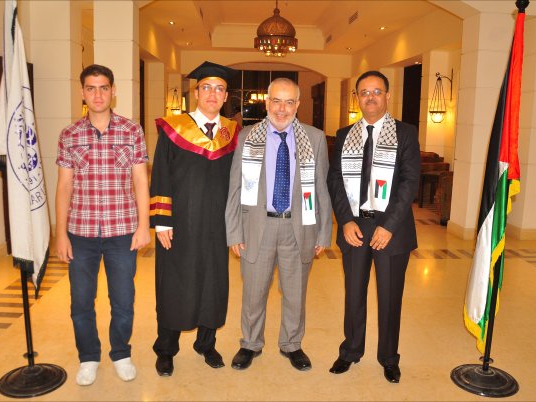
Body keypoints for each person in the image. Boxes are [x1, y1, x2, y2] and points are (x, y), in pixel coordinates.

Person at [225, 78, 332, 371]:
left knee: (295, 294)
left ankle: (292, 344)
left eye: (289, 102)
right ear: (267, 102)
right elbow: (235, 186)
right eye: (276, 101)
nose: (282, 109)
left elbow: (321, 188)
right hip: (256, 227)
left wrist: (323, 232)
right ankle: (250, 343)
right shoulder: (247, 136)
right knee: (253, 293)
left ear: (298, 105)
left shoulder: (314, 138)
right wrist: (234, 231)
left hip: (299, 228)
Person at [55, 64, 150, 386]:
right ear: (82, 92)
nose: (98, 95)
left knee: (123, 300)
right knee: (81, 302)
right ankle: (89, 357)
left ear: (113, 91)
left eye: (104, 88)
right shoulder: (69, 135)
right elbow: (64, 186)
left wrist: (144, 226)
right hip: (80, 233)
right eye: (91, 88)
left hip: (122, 231)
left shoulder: (132, 131)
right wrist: (60, 234)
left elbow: (140, 180)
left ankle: (121, 353)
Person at [326, 70, 420, 383]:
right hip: (355, 226)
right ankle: (350, 351)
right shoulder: (344, 135)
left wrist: (389, 225)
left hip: (392, 230)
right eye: (364, 92)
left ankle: (389, 358)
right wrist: (345, 220)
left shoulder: (405, 133)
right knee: (354, 295)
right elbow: (335, 180)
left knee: (390, 297)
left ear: (387, 96)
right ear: (357, 98)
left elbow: (410, 182)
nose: (370, 97)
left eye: (377, 91)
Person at [149, 61, 240, 377]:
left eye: (219, 89)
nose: (212, 94)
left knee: (212, 283)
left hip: (217, 225)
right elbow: (160, 174)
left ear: (225, 96)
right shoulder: (173, 129)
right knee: (175, 283)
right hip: (180, 224)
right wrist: (162, 221)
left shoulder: (232, 133)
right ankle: (166, 349)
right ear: (196, 92)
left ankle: (206, 343)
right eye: (206, 87)